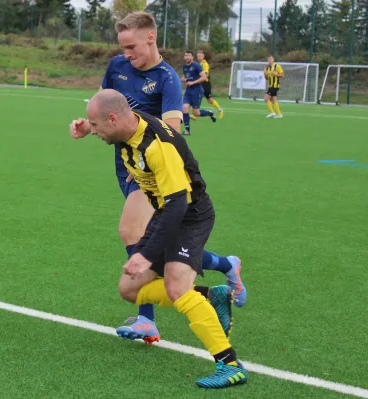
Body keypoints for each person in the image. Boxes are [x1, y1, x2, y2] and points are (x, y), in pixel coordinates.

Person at [69, 12, 246, 344]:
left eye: (131, 47)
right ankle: (225, 264)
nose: (126, 55)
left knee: (132, 231)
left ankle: (146, 319)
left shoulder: (167, 80)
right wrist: (86, 124)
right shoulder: (117, 67)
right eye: (122, 47)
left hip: (152, 171)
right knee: (154, 241)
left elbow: (171, 134)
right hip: (126, 166)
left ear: (150, 38)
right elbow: (101, 105)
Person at [86, 89, 248, 389]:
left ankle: (230, 364)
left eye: (95, 125)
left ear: (112, 118)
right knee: (130, 289)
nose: (93, 131)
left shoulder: (158, 146)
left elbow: (178, 204)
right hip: (166, 212)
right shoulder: (128, 128)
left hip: (189, 214)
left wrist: (146, 254)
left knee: (175, 286)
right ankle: (212, 296)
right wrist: (87, 127)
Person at [182, 50, 216, 136]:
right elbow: (185, 77)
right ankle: (187, 130)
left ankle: (210, 113)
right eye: (186, 55)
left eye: (189, 55)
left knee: (195, 113)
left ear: (192, 57)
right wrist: (180, 80)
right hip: (188, 91)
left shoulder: (197, 66)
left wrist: (192, 82)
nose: (187, 57)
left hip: (197, 91)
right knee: (185, 108)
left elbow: (204, 77)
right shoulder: (184, 67)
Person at [190, 50, 223, 120]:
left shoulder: (205, 64)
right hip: (201, 83)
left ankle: (220, 109)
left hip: (205, 84)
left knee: (209, 100)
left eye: (200, 56)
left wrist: (198, 78)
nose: (198, 57)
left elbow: (206, 75)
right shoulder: (198, 64)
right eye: (198, 56)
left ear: (203, 56)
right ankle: (196, 114)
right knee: (205, 99)